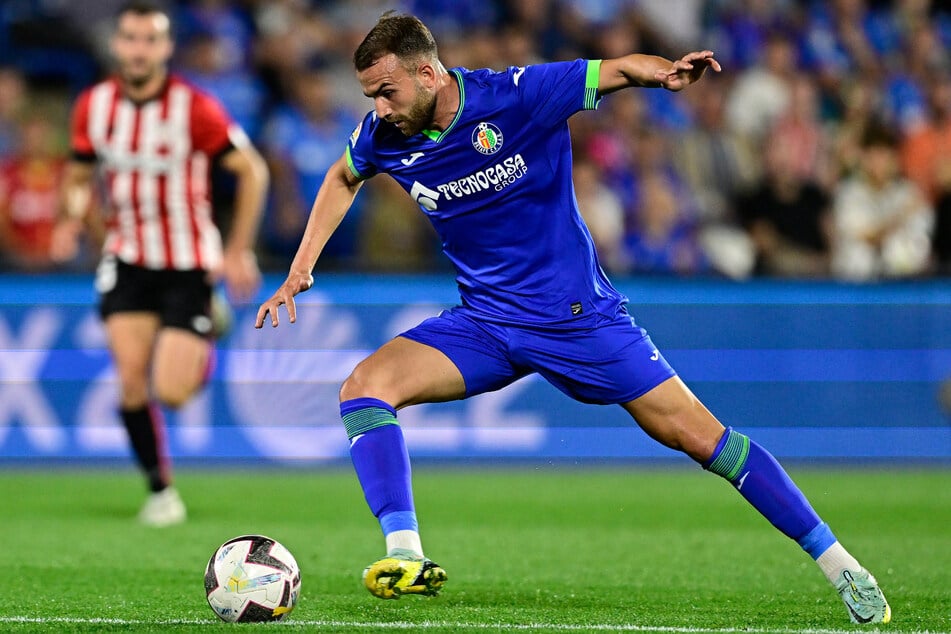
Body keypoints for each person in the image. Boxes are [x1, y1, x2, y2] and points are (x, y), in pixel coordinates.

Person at [255, 12, 890, 624]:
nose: (379, 109)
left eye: (387, 92)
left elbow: (613, 71)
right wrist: (301, 266)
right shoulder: (382, 135)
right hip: (487, 325)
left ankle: (842, 566)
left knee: (705, 441)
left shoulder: (518, 96)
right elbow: (343, 175)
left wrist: (663, 72)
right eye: (371, 96)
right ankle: (405, 555)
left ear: (428, 75)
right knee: (363, 388)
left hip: (578, 320)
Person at [51, 0, 269, 527]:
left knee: (171, 391)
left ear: (166, 48)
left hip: (188, 261)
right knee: (130, 381)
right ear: (117, 44)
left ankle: (206, 332)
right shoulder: (94, 106)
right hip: (126, 258)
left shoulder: (195, 108)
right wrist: (71, 218)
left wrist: (238, 250)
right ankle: (160, 491)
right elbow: (79, 178)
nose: (139, 49)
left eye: (150, 39)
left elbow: (253, 172)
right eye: (130, 38)